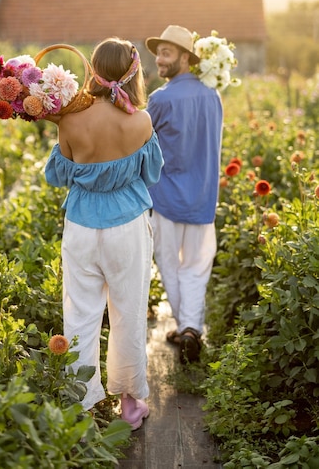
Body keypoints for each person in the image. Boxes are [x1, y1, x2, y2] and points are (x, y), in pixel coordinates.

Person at [45, 37, 163, 429]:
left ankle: (80, 404)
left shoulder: (69, 119)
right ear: (133, 71)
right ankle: (130, 404)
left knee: (79, 313)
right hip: (127, 227)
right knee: (128, 311)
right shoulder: (142, 121)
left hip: (81, 227)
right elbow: (152, 174)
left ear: (91, 70)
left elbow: (57, 175)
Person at [145, 25, 223, 363]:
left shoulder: (161, 99)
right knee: (196, 267)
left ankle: (187, 326)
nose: (159, 60)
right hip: (203, 197)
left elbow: (142, 144)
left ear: (186, 57)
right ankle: (191, 328)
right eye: (158, 53)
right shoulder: (213, 95)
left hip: (167, 197)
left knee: (170, 265)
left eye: (166, 53)